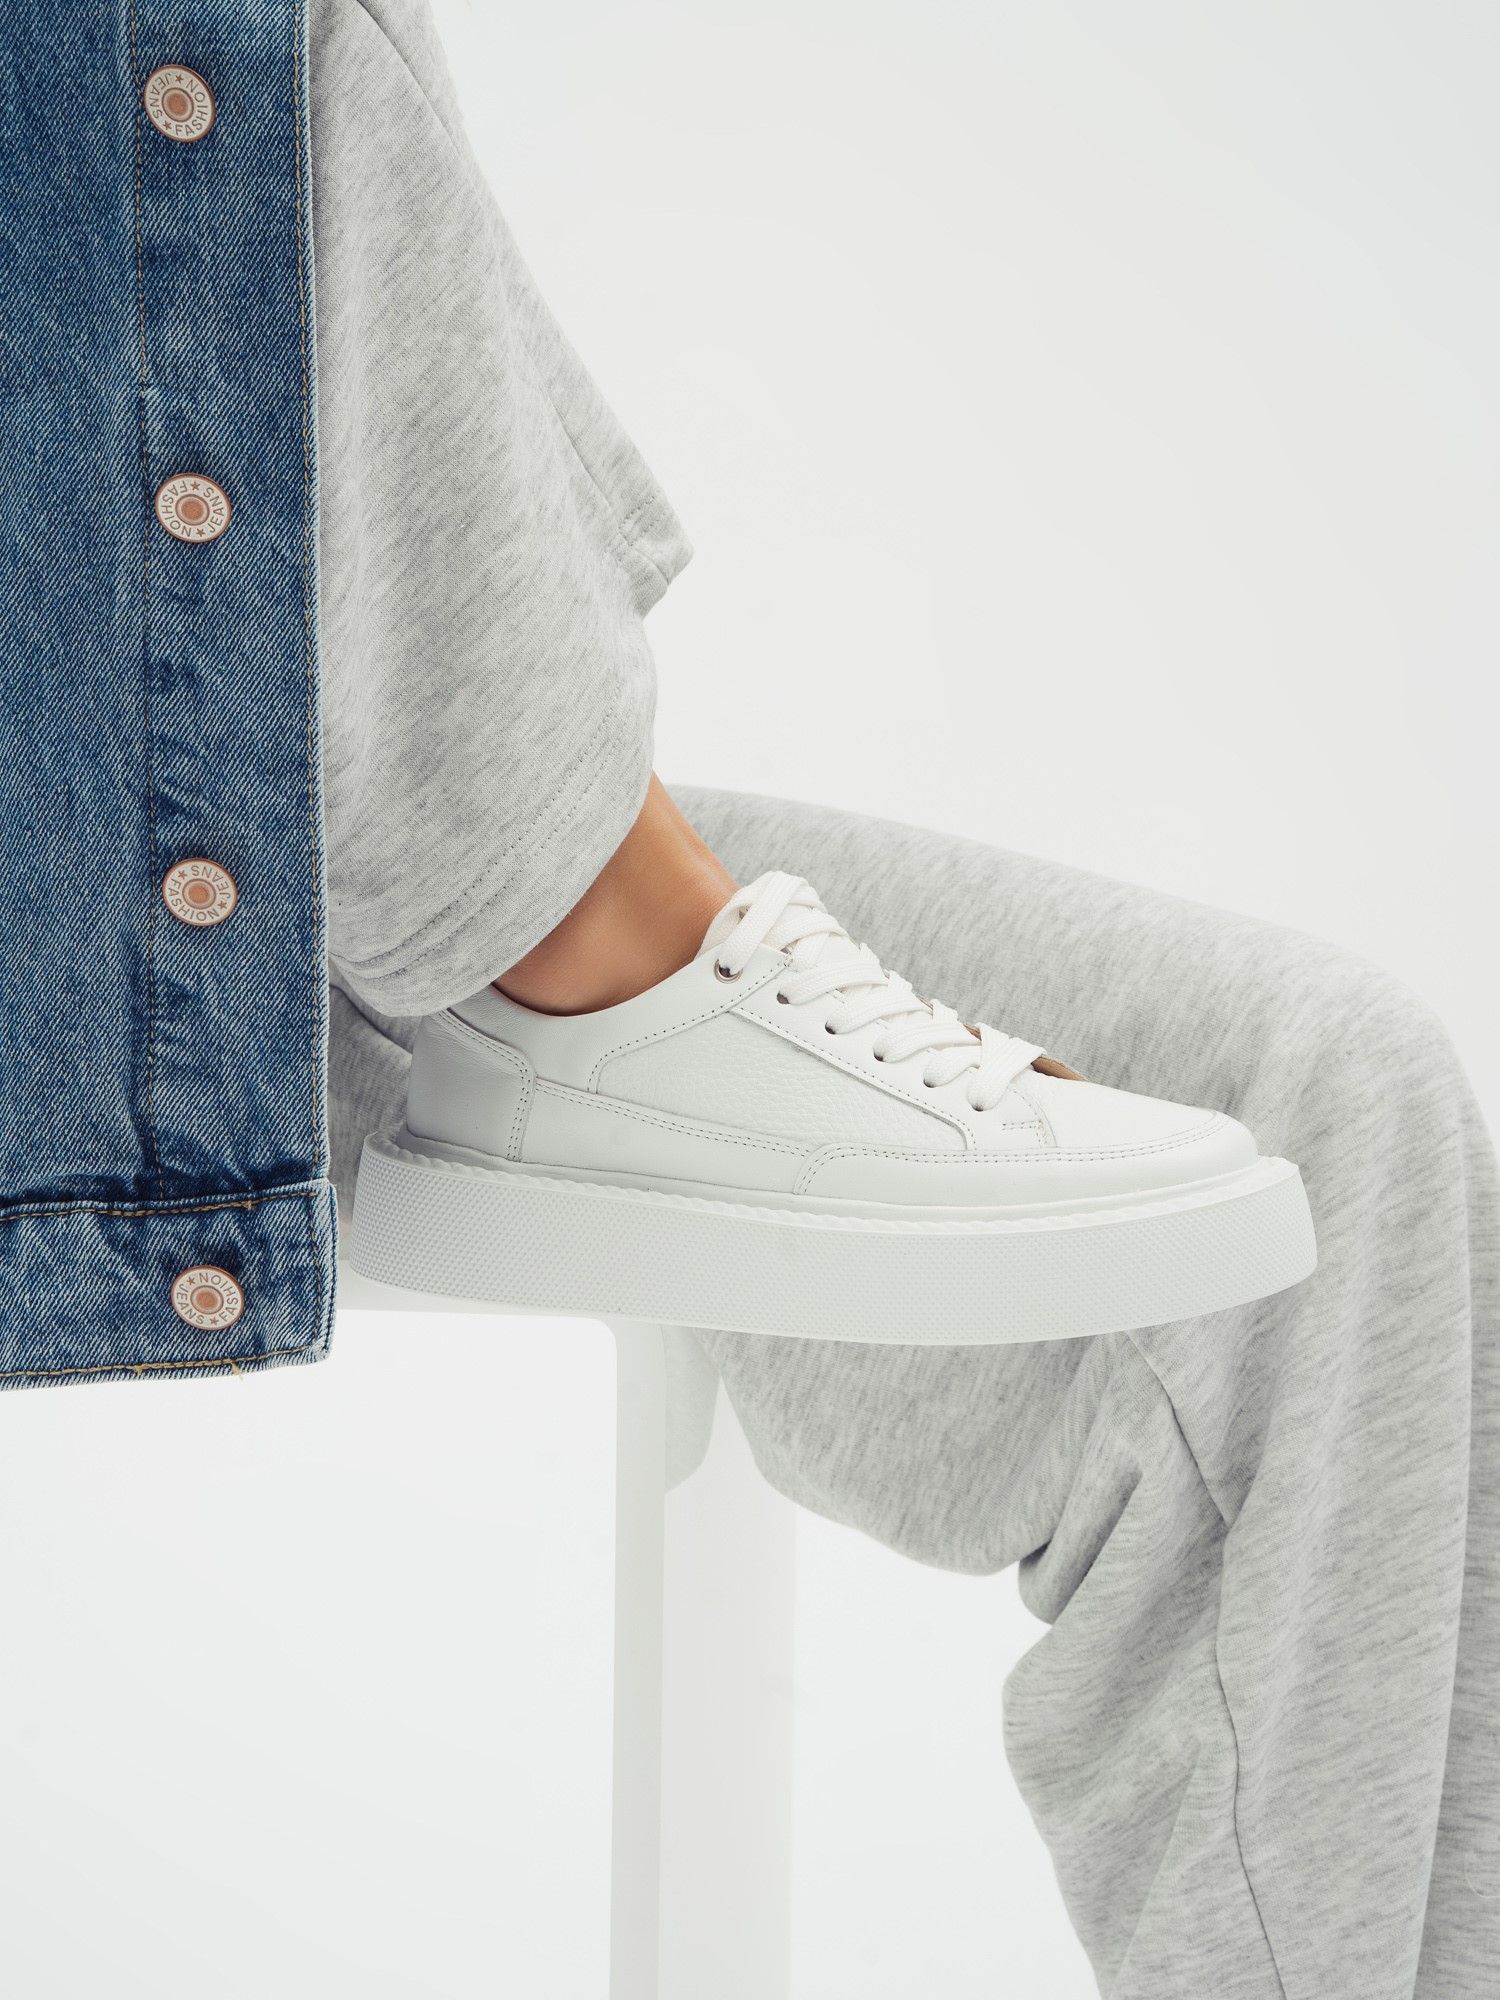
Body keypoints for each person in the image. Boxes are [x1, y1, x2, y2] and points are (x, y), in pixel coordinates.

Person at [1, 2, 1494, 1994]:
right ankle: (573, 934)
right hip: (127, 949)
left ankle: (571, 907)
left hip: (190, 812)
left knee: (1326, 1116)